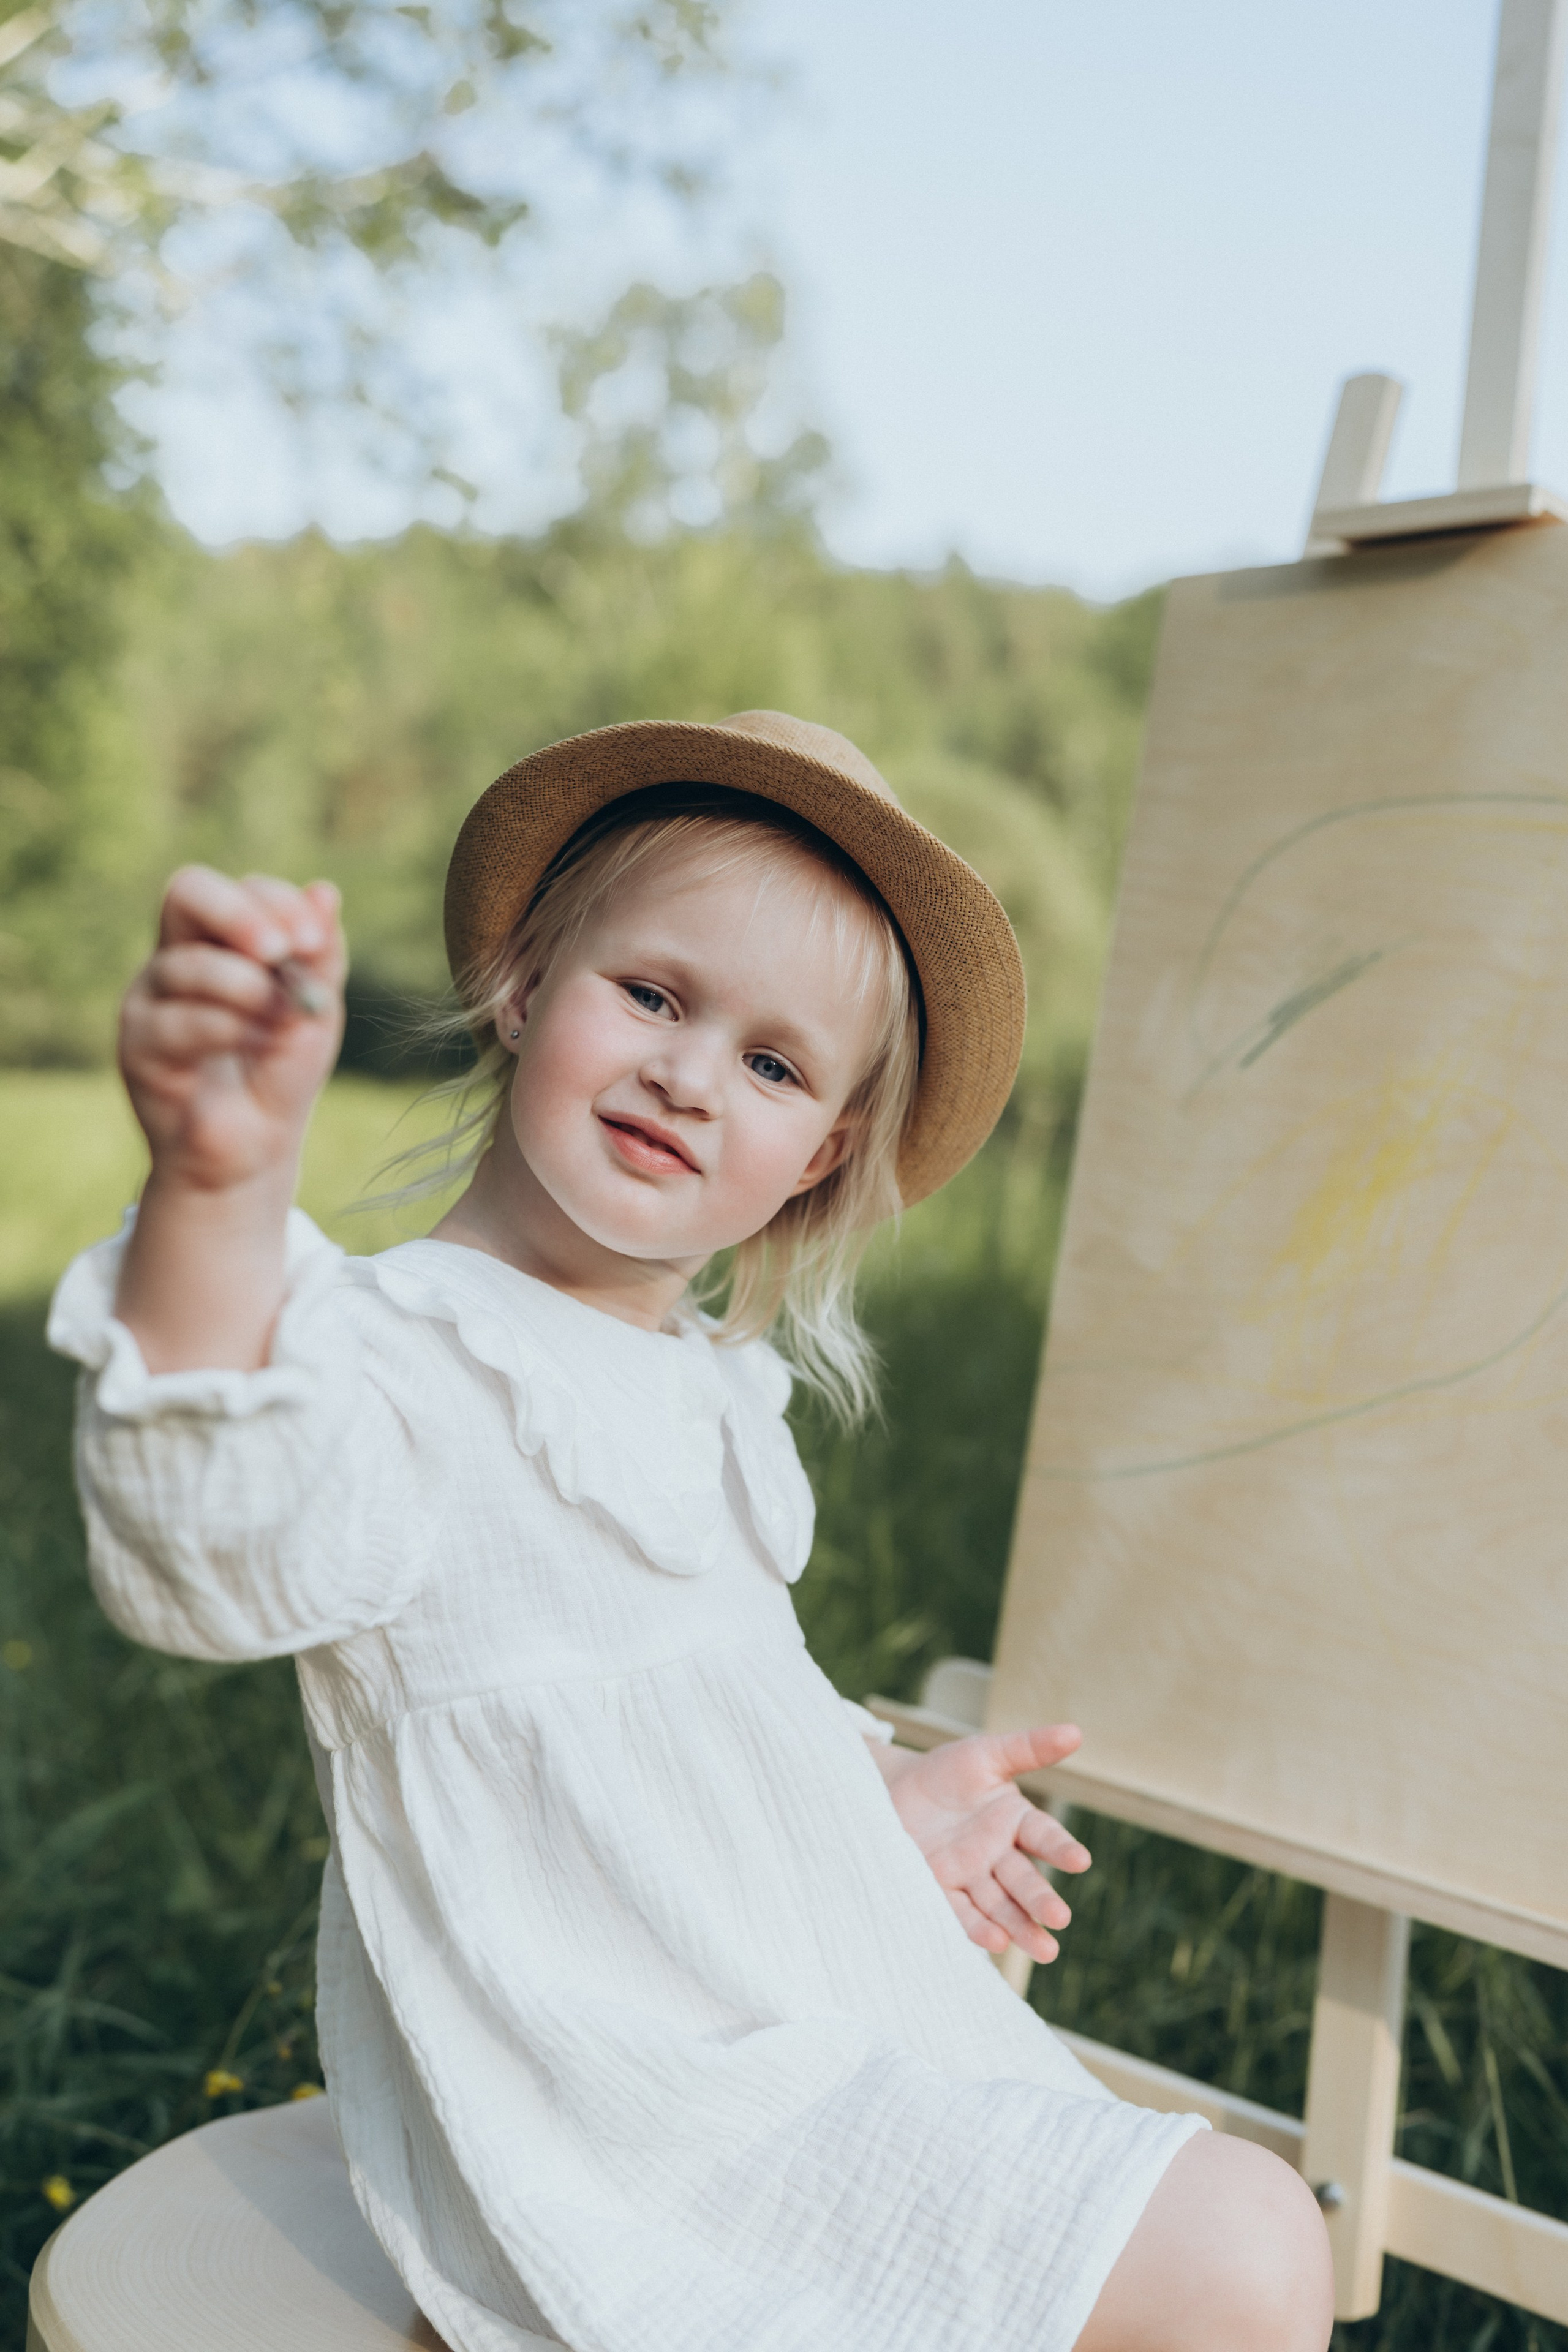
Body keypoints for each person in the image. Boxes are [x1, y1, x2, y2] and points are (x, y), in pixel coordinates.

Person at [49, 712, 1332, 2352]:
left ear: (821, 1157)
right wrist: (218, 1198)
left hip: (786, 2017)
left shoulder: (700, 1390)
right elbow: (210, 1553)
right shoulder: (406, 1359)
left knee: (1216, 2231)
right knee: (1245, 2248)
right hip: (617, 2118)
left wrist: (867, 1796)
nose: (688, 1072)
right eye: (653, 995)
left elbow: (701, 1698)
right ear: (521, 981)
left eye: (774, 1064)